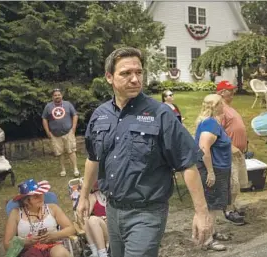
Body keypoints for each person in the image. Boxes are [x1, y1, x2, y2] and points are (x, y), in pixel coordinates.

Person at [77, 47, 213, 257]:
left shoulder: (160, 114)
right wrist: (84, 196)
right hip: (112, 210)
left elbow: (187, 163)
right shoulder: (100, 115)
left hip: (146, 213)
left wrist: (201, 213)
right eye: (126, 73)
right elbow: (93, 158)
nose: (135, 79)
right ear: (109, 77)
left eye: (139, 72)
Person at [194, 94, 233, 251]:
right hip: (214, 168)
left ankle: (212, 232)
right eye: (221, 103)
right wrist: (210, 172)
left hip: (220, 168)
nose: (224, 105)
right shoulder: (210, 124)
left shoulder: (210, 122)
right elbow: (204, 149)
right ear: (216, 106)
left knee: (214, 205)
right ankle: (206, 240)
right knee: (211, 205)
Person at [3, 179, 76, 257]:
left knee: (60, 253)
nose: (40, 198)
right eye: (35, 196)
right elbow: (7, 244)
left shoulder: (53, 208)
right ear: (26, 201)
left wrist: (53, 236)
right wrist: (25, 242)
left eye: (41, 194)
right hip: (28, 251)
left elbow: (71, 229)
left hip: (53, 246)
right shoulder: (16, 213)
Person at [216, 81, 248, 226]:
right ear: (221, 92)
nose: (233, 92)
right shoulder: (220, 109)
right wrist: (230, 147)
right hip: (228, 153)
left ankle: (232, 205)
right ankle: (228, 211)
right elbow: (218, 132)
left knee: (237, 183)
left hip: (239, 152)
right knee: (231, 183)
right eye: (229, 90)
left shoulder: (229, 108)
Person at [42, 89, 80, 177]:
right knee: (60, 153)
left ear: (61, 96)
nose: (57, 96)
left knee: (71, 151)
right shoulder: (48, 106)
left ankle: (75, 169)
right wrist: (47, 132)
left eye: (59, 95)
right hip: (55, 135)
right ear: (52, 97)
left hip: (68, 132)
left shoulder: (68, 104)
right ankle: (63, 170)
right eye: (55, 95)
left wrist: (73, 128)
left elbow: (75, 115)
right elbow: (44, 119)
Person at [84, 182, 109, 257]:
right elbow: (85, 215)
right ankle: (96, 252)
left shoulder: (115, 194)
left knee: (93, 219)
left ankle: (102, 254)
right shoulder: (93, 196)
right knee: (87, 219)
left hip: (113, 227)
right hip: (100, 227)